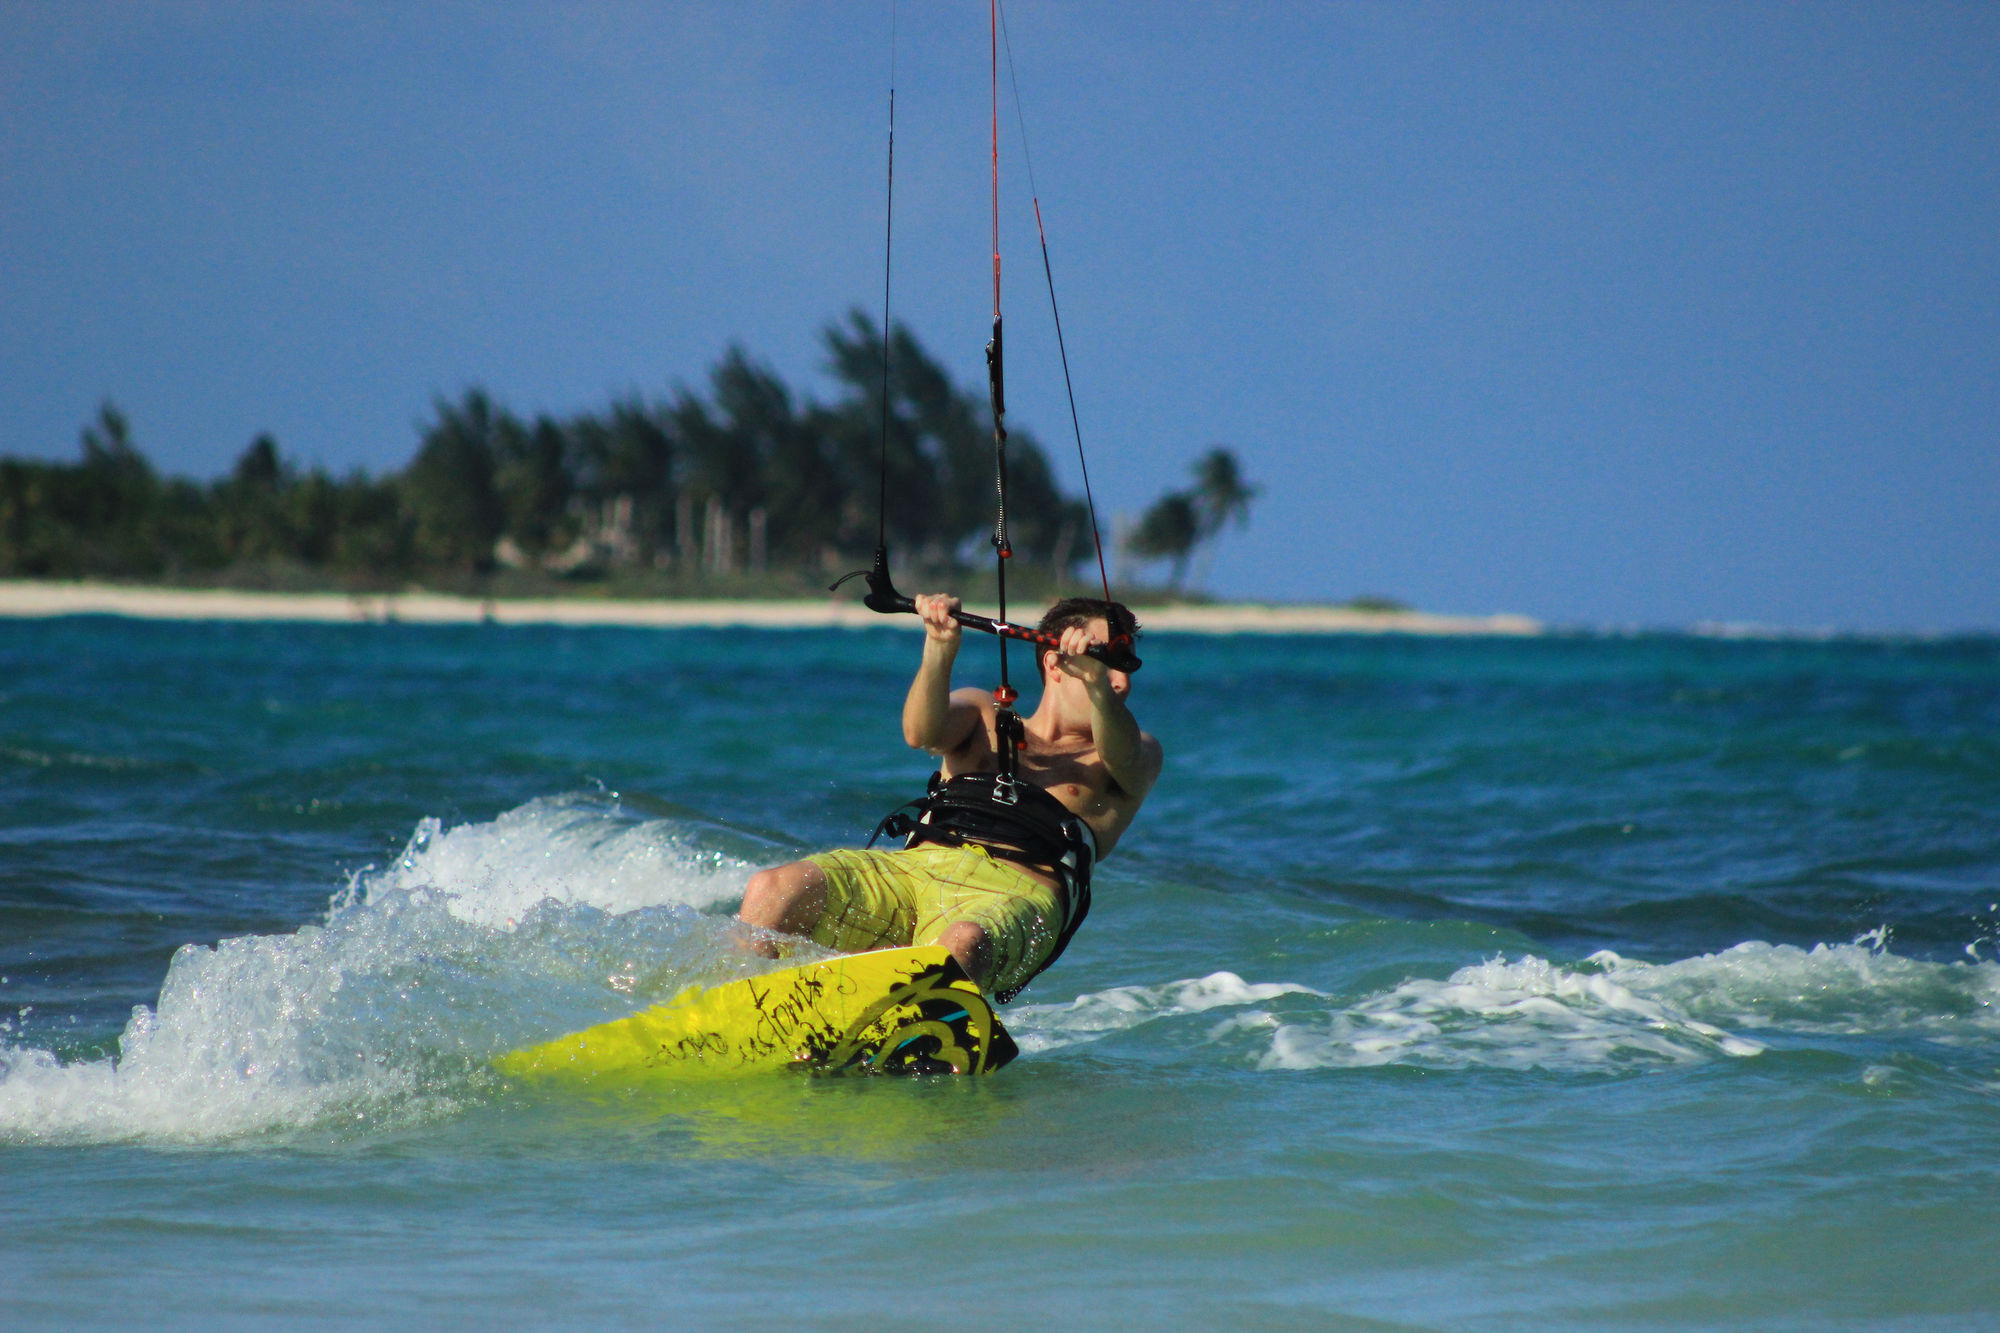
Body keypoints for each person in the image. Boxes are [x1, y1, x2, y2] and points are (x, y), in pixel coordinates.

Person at [737, 593, 1163, 1001]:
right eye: (1107, 662)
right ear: (1055, 663)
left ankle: (916, 1033)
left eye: (1127, 666)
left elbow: (1123, 754)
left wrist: (1095, 684)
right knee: (774, 888)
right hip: (913, 871)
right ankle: (739, 1007)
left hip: (1015, 893)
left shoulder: (1132, 752)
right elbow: (920, 733)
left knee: (962, 942)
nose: (1122, 682)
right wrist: (940, 647)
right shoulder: (982, 713)